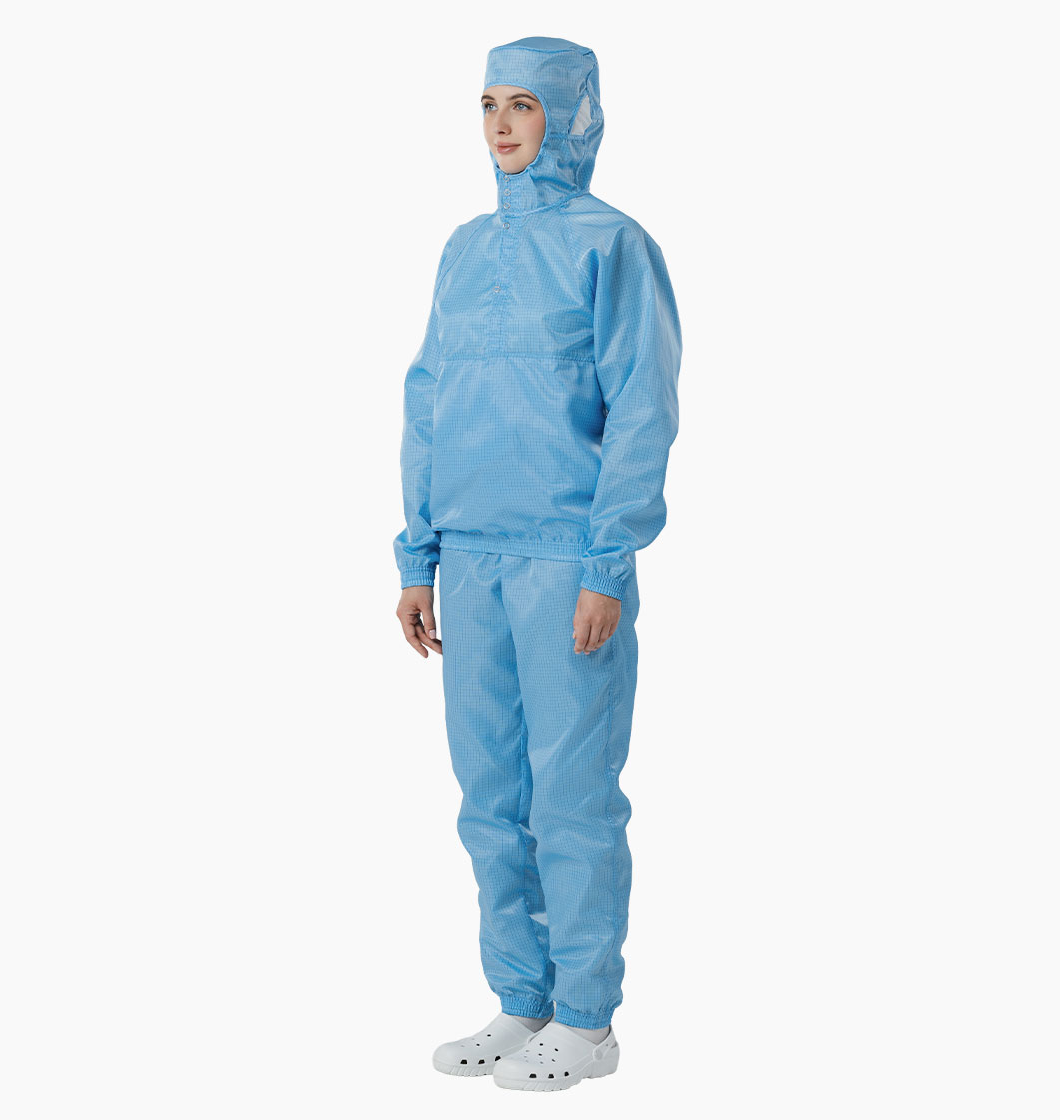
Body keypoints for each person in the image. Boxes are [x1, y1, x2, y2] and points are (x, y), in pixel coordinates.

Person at [393, 36, 682, 1092]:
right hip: (469, 555)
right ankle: (523, 999)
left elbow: (642, 406)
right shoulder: (464, 248)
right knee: (489, 795)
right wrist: (417, 553)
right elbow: (429, 396)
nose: (502, 124)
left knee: (571, 794)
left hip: (566, 558)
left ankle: (588, 1020)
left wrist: (608, 563)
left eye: (524, 103)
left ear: (572, 116)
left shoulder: (614, 245)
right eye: (487, 104)